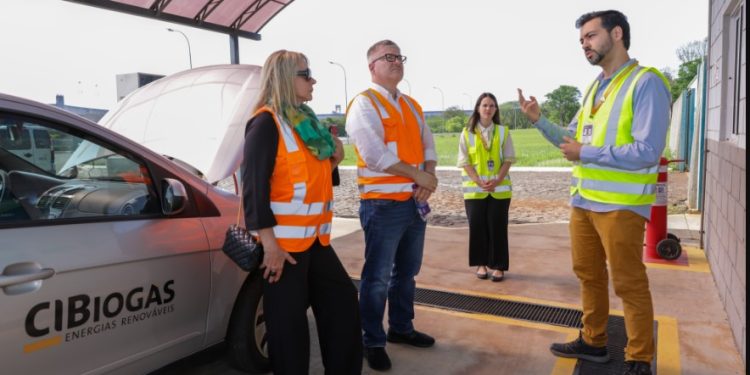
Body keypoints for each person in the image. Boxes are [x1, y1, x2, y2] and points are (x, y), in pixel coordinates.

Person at [517, 10, 671, 375]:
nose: (584, 44)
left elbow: (647, 151)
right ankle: (594, 339)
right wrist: (539, 120)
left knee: (628, 283)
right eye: (581, 40)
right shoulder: (594, 88)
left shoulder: (645, 83)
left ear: (616, 33)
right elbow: (570, 141)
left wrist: (585, 153)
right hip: (584, 203)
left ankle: (638, 358)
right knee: (588, 275)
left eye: (590, 36)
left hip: (620, 205)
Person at [242, 50, 362, 375]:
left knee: (342, 304)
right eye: (305, 74)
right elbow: (254, 188)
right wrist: (269, 246)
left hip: (315, 241)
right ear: (284, 78)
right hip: (282, 249)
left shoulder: (305, 123)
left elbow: (310, 179)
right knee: (288, 330)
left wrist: (334, 159)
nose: (313, 80)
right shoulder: (266, 123)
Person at [345, 39, 438, 372]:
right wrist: (419, 175)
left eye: (400, 56)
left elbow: (428, 142)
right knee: (377, 277)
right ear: (372, 66)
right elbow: (374, 153)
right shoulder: (364, 104)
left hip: (414, 202)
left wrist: (429, 173)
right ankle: (372, 339)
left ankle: (401, 328)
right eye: (388, 57)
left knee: (407, 274)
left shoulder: (412, 104)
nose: (397, 61)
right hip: (382, 205)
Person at [457, 92, 515, 282]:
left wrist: (497, 179)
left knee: (498, 227)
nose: (488, 109)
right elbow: (464, 161)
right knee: (477, 227)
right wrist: (477, 181)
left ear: (496, 109)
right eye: (484, 105)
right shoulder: (467, 133)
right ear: (478, 108)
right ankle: (481, 264)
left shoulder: (503, 131)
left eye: (491, 105)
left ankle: (499, 267)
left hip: (499, 190)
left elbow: (508, 158)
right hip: (475, 190)